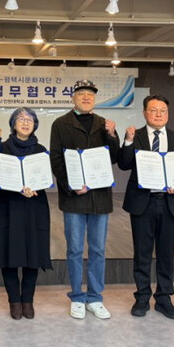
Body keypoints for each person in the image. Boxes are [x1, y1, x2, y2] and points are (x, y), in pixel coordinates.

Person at [49, 79, 120, 320]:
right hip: (74, 199)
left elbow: (114, 157)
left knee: (98, 249)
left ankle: (95, 297)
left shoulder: (104, 124)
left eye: (90, 94)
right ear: (73, 98)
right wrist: (70, 186)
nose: (86, 97)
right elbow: (56, 160)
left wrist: (112, 135)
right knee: (75, 249)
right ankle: (77, 296)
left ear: (95, 99)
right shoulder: (61, 124)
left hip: (100, 197)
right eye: (81, 93)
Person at [119, 94, 174, 319]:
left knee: (166, 253)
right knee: (142, 252)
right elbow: (124, 164)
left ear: (168, 114)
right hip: (143, 202)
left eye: (163, 111)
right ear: (144, 113)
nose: (158, 114)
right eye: (153, 110)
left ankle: (164, 298)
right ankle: (141, 296)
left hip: (170, 202)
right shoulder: (135, 135)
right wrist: (128, 141)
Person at [0, 108, 52, 320]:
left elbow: (45, 177)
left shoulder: (41, 150)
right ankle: (14, 301)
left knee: (33, 254)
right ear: (13, 124)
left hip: (35, 205)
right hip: (9, 206)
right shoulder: (3, 147)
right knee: (9, 253)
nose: (25, 123)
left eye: (30, 120)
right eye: (21, 119)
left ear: (35, 125)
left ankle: (28, 300)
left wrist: (35, 186)